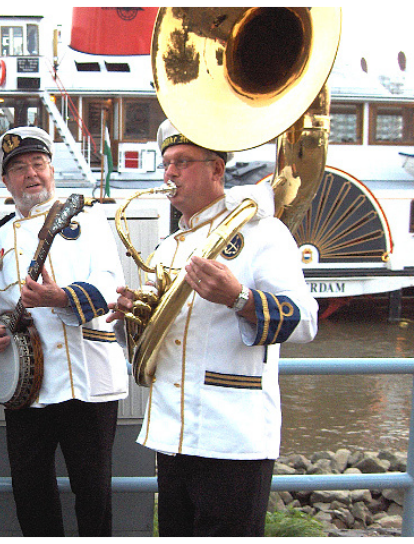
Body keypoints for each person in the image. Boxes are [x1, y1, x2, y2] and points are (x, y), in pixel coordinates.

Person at [107, 119, 319, 537]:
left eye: (182, 162)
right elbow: (154, 340)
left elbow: (305, 322)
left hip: (234, 435)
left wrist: (238, 298)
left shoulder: (262, 232)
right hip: (172, 433)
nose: (170, 173)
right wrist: (131, 316)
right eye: (166, 163)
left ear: (217, 170)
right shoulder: (170, 246)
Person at [0, 127, 129, 536]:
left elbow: (111, 283)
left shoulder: (87, 220)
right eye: (19, 168)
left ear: (52, 169)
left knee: (93, 494)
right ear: (6, 181)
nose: (31, 174)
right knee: (30, 492)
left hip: (87, 382)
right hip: (25, 387)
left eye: (38, 164)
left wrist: (61, 298)